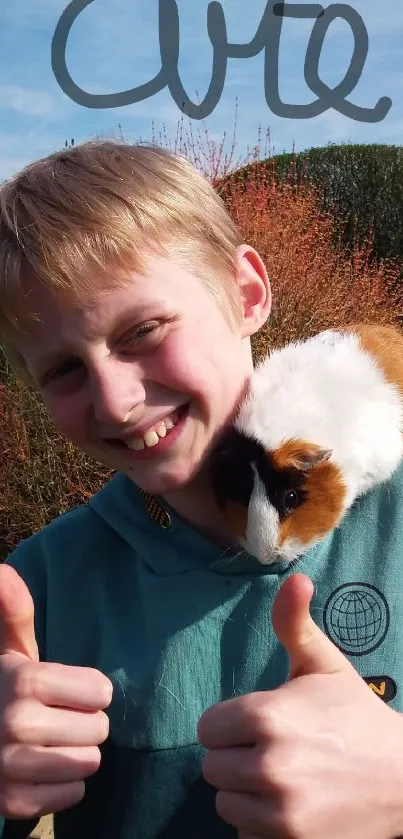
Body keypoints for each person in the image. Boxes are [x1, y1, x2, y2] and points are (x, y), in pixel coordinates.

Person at [0, 140, 403, 839]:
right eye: (64, 370)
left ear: (246, 292)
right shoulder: (38, 591)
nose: (118, 403)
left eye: (143, 330)